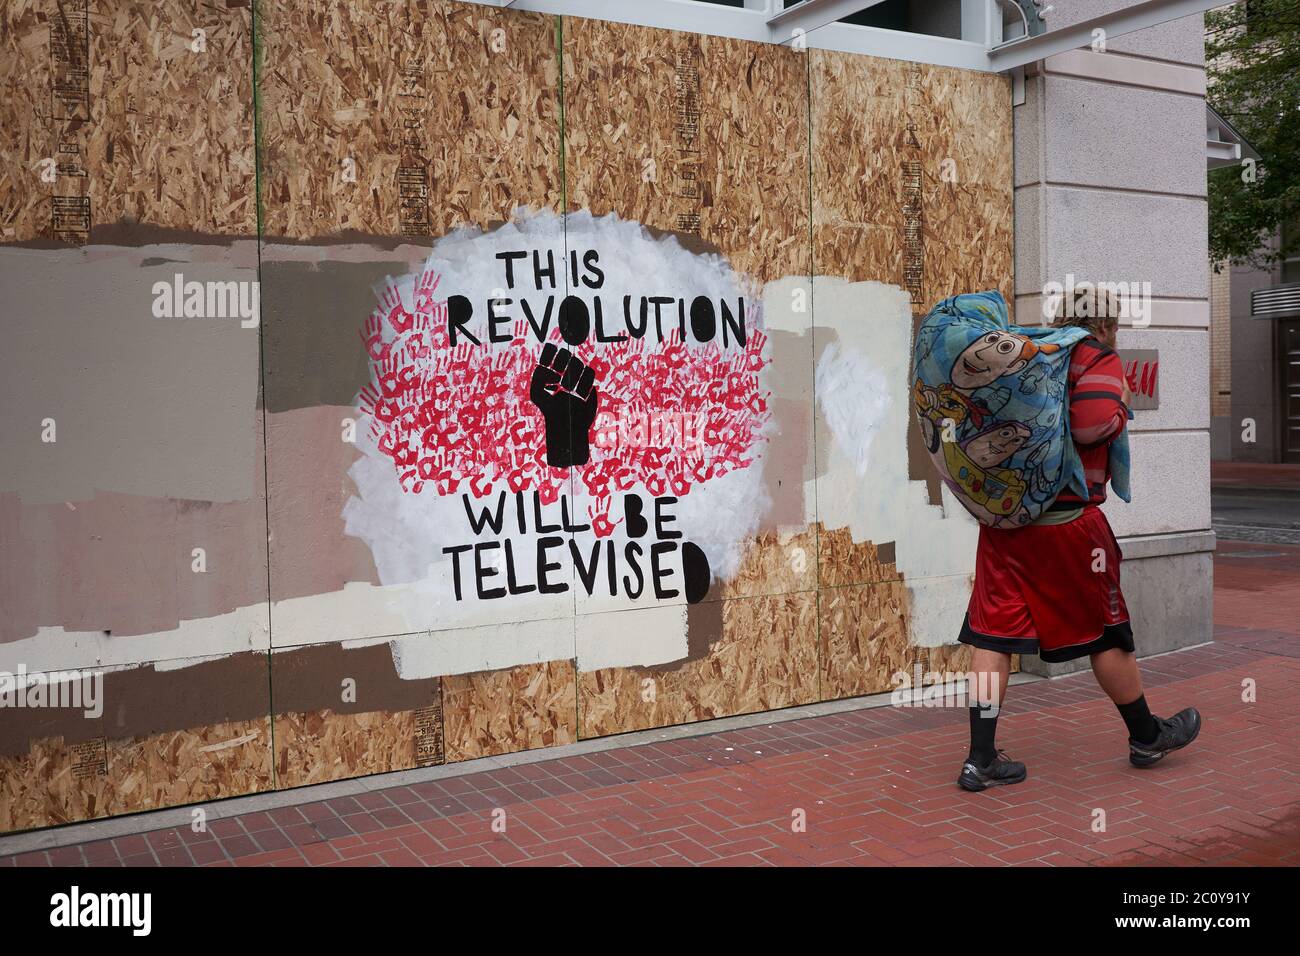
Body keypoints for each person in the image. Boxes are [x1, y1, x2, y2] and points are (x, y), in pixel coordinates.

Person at [956, 284, 1201, 792]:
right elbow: (1089, 429)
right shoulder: (1096, 357)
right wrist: (1120, 407)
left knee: (992, 636)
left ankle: (980, 758)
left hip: (1006, 524)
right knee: (1106, 631)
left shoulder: (1029, 352)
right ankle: (1145, 736)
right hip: (1069, 526)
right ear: (1107, 325)